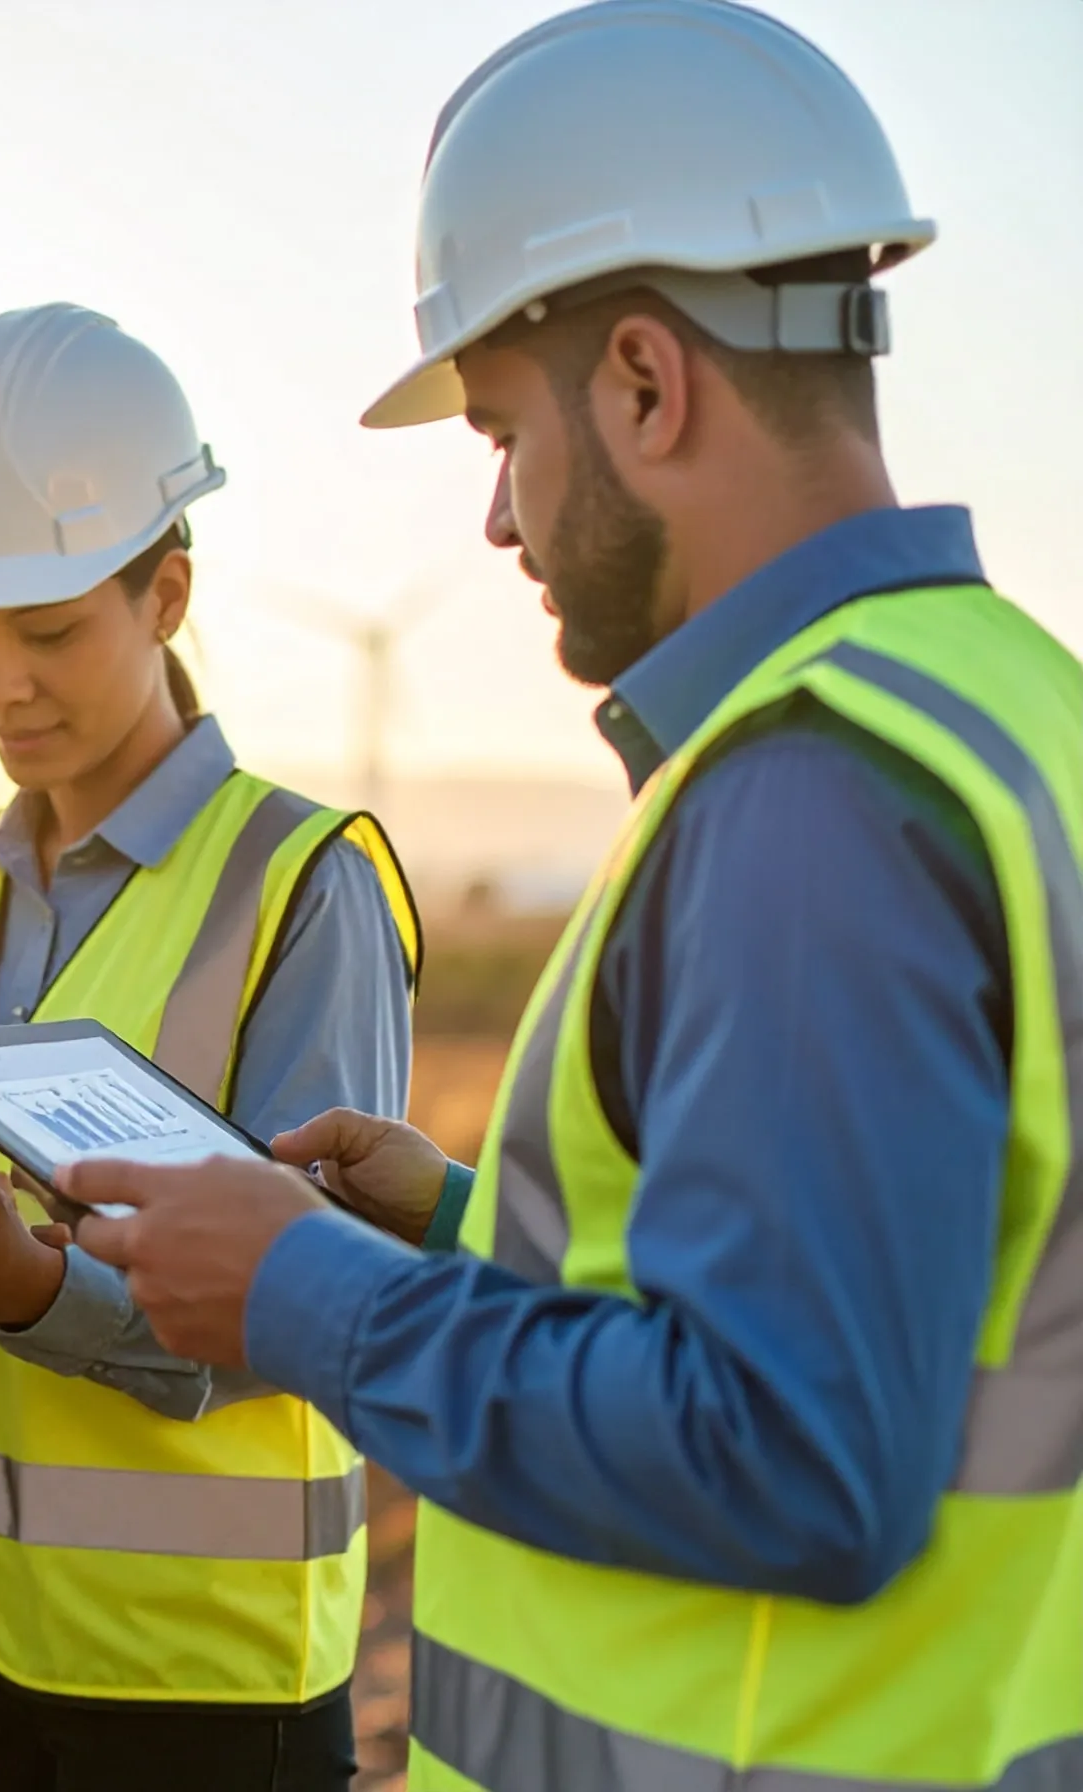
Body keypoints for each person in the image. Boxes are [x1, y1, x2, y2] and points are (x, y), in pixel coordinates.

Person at [58, 6, 1083, 1789]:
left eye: (499, 432)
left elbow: (795, 1454)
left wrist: (306, 1294)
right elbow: (909, 1290)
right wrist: (456, 1219)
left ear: (643, 384)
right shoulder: (1008, 707)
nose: (500, 525)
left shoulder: (811, 797)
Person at [0, 302, 422, 1792]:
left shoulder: (302, 880)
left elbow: (313, 1306)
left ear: (167, 594)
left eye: (50, 630)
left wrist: (33, 1289)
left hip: (192, 1683)